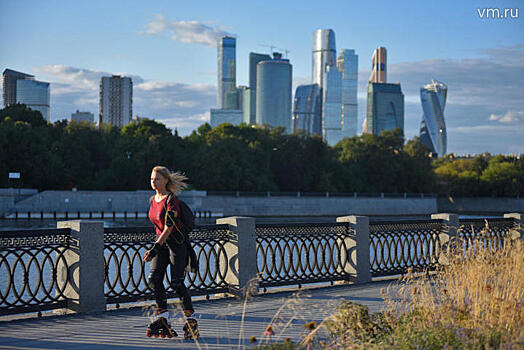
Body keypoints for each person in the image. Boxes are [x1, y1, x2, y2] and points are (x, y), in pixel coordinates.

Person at [143, 166, 198, 339]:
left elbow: (169, 226)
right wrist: (158, 246)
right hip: (162, 244)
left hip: (176, 244)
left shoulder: (171, 200)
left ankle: (191, 321)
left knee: (176, 282)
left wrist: (155, 248)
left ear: (166, 180)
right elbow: (157, 225)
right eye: (152, 178)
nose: (153, 181)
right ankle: (163, 319)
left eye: (157, 179)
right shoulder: (153, 199)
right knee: (154, 278)